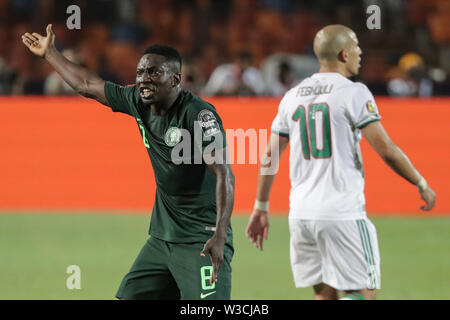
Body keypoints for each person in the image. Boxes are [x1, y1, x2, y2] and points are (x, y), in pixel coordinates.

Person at [22, 24, 235, 300]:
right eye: (141, 72)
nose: (144, 79)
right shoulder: (137, 100)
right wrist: (50, 53)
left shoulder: (198, 114)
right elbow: (86, 85)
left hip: (200, 239)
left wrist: (219, 234)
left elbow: (224, 174)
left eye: (154, 72)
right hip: (162, 238)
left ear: (176, 79)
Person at [245, 24, 436, 300]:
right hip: (341, 212)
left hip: (301, 214)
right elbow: (388, 150)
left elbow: (269, 155)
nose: (361, 52)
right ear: (344, 54)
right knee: (363, 295)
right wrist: (420, 182)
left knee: (325, 296)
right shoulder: (353, 92)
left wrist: (260, 207)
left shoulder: (292, 97)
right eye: (357, 47)